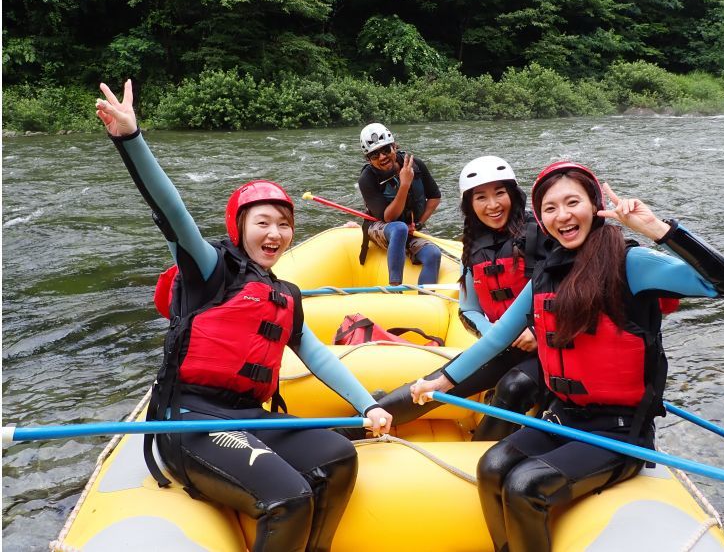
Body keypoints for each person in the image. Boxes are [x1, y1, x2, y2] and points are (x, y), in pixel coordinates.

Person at [95, 80, 392, 552]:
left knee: (338, 457)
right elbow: (173, 211)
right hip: (191, 421)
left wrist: (367, 405)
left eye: (284, 224)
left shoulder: (285, 295)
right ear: (240, 228)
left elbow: (317, 354)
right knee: (288, 497)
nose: (275, 233)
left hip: (249, 416)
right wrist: (130, 138)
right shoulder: (211, 269)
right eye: (263, 223)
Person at [411, 160, 724, 551]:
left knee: (525, 485)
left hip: (620, 432)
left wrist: (657, 230)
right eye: (550, 208)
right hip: (562, 417)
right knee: (492, 467)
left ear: (595, 205)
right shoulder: (548, 273)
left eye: (573, 203)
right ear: (540, 216)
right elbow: (495, 340)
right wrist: (441, 381)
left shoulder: (630, 263)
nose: (563, 216)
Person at [341, 156, 548, 441]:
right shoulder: (474, 244)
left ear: (514, 193)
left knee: (514, 387)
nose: (493, 205)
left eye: (500, 193)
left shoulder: (541, 234)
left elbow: (569, 290)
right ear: (469, 204)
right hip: (505, 345)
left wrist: (538, 329)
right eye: (481, 197)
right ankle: (345, 431)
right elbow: (469, 309)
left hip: (551, 346)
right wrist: (498, 338)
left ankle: (479, 452)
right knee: (430, 386)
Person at [357, 122, 442, 285]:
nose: (382, 157)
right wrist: (404, 185)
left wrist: (419, 224)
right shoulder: (367, 179)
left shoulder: (415, 165)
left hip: (411, 229)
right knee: (399, 228)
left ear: (394, 146)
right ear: (369, 159)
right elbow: (388, 217)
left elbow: (435, 197)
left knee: (433, 254)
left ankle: (426, 300)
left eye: (386, 150)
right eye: (374, 155)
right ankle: (395, 286)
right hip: (382, 228)